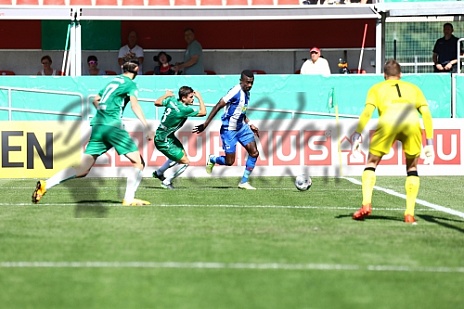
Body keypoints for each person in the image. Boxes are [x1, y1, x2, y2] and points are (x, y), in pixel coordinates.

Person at [32, 60, 155, 206]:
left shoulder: (113, 81)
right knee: (138, 162)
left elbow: (96, 99)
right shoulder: (130, 84)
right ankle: (129, 199)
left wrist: (103, 113)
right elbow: (135, 105)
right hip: (113, 126)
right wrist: (147, 127)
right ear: (136, 69)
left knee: (83, 169)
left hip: (98, 125)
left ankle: (46, 184)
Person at [351, 59, 435, 224]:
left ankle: (366, 204)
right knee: (412, 167)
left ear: (384, 75)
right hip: (411, 122)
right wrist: (430, 143)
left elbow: (368, 111)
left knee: (371, 163)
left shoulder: (376, 88)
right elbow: (425, 113)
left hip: (388, 122)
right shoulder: (413, 88)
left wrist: (357, 133)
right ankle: (409, 214)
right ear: (400, 75)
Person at [192, 70, 260, 190]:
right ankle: (213, 159)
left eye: (251, 83)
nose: (249, 85)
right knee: (229, 162)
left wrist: (250, 124)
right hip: (229, 130)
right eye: (247, 82)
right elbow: (219, 105)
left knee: (254, 152)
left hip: (241, 128)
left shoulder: (247, 93)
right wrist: (206, 123)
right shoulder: (235, 91)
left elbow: (240, 112)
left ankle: (244, 182)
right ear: (241, 81)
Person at [152, 87, 207, 189]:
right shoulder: (184, 109)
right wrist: (199, 97)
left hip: (167, 136)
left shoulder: (171, 100)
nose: (192, 99)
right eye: (191, 97)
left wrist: (167, 94)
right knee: (185, 162)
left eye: (193, 97)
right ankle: (166, 182)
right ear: (183, 98)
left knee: (181, 157)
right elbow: (203, 112)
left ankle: (159, 173)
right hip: (163, 140)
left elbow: (157, 102)